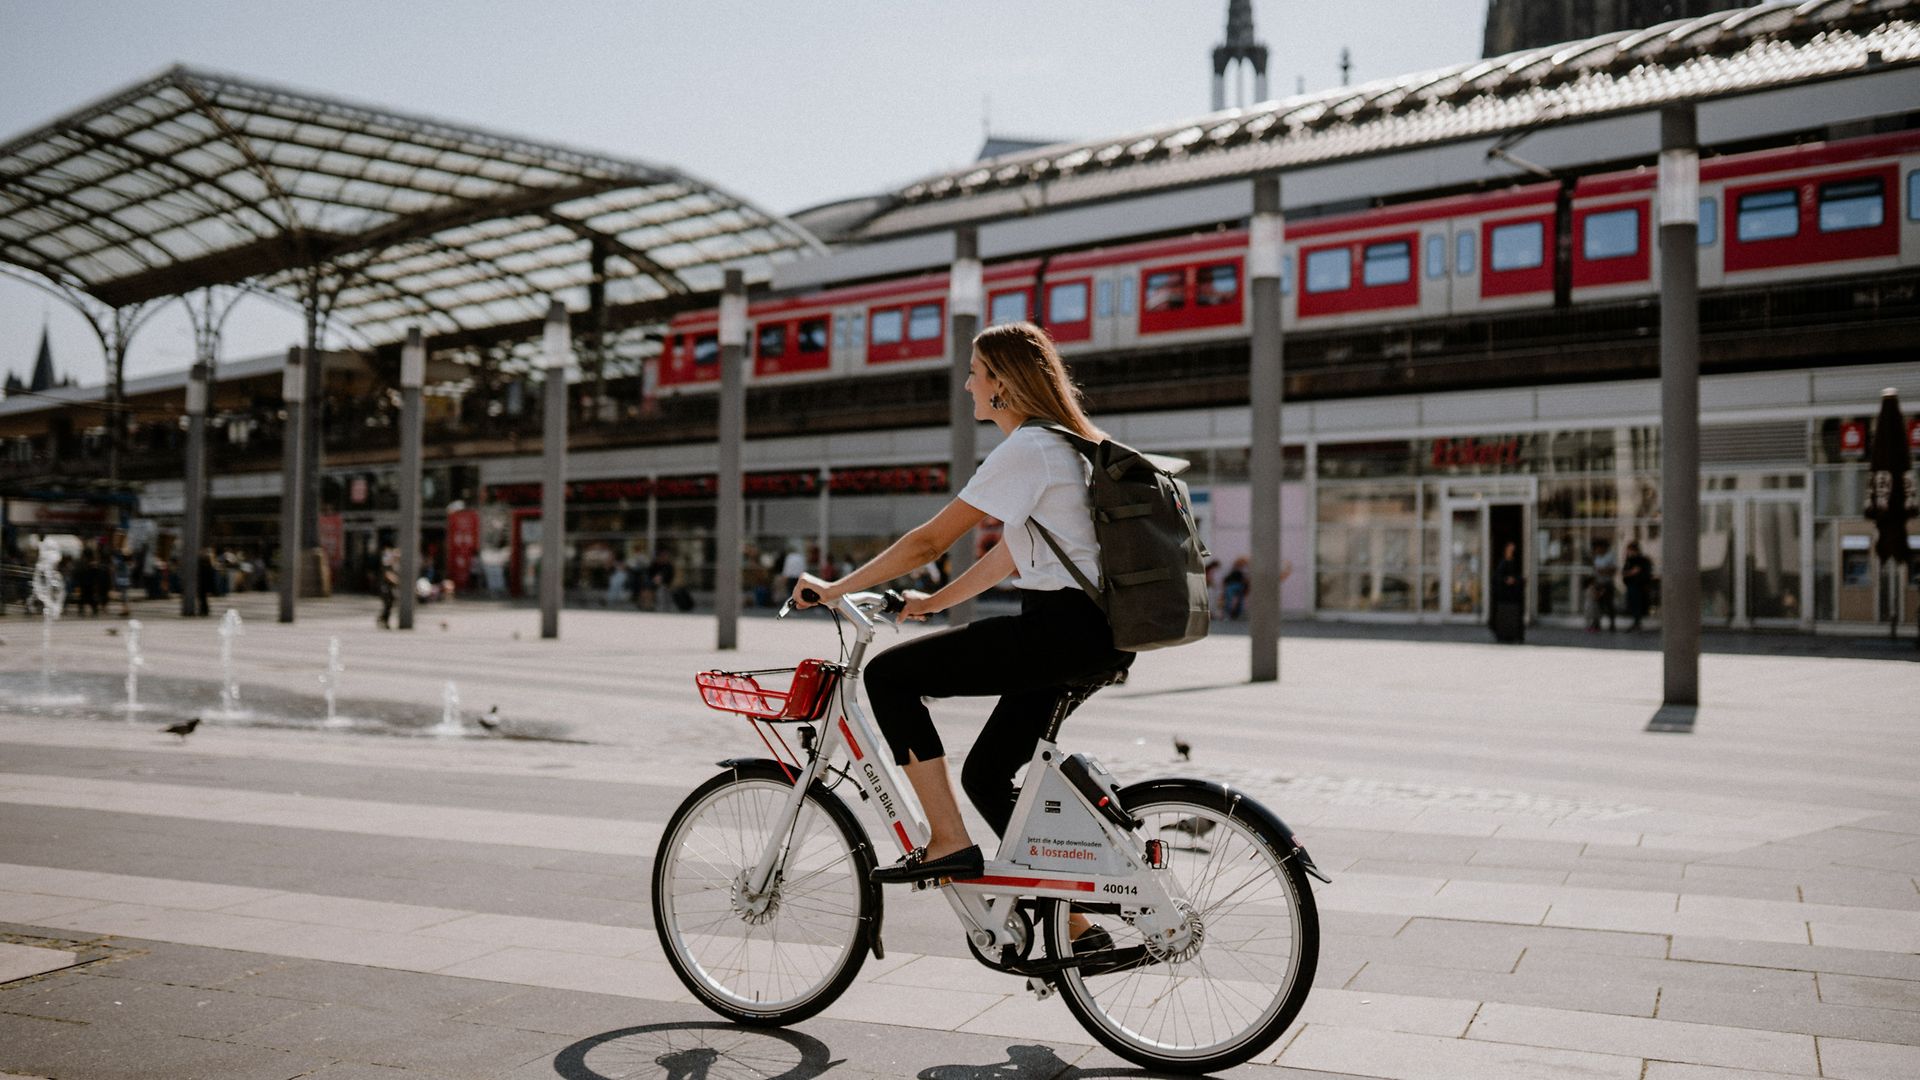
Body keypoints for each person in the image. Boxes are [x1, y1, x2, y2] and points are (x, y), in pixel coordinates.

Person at [791, 321, 1130, 949]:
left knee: (890, 677)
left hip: (1060, 631)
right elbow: (1011, 555)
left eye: (975, 371)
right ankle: (1077, 927)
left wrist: (835, 588)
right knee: (986, 775)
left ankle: (948, 841)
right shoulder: (1070, 445)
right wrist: (934, 602)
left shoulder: (1029, 448)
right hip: (1096, 634)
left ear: (1002, 383)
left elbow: (929, 539)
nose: (968, 382)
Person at [1491, 541, 1525, 644]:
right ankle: (1503, 635)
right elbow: (1497, 578)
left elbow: (1520, 577)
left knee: (1514, 615)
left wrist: (1516, 580)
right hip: (1504, 596)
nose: (1511, 552)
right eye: (1509, 549)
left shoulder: (1516, 562)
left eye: (1512, 550)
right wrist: (1506, 580)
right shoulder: (1502, 563)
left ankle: (1514, 636)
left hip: (1514, 596)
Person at [1586, 537, 1617, 632]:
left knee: (1608, 604)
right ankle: (1596, 623)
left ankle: (1612, 624)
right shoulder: (1597, 558)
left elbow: (1613, 570)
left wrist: (1603, 571)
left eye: (1598, 548)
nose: (1597, 550)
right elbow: (1595, 571)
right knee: (1597, 605)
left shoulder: (1610, 556)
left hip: (1607, 583)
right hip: (1599, 583)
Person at [1621, 540, 1653, 631]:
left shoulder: (1642, 560)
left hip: (1639, 586)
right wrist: (1631, 573)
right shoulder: (1629, 560)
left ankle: (1637, 623)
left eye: (1630, 550)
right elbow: (1625, 572)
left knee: (1637, 605)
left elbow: (1639, 571)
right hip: (1631, 585)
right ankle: (1635, 622)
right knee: (1632, 604)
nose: (1629, 552)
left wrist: (1631, 573)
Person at [376, 545, 399, 628]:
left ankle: (383, 619)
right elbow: (388, 575)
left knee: (388, 605)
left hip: (389, 588)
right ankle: (383, 619)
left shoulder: (393, 565)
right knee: (388, 605)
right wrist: (397, 582)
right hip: (386, 588)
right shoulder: (387, 564)